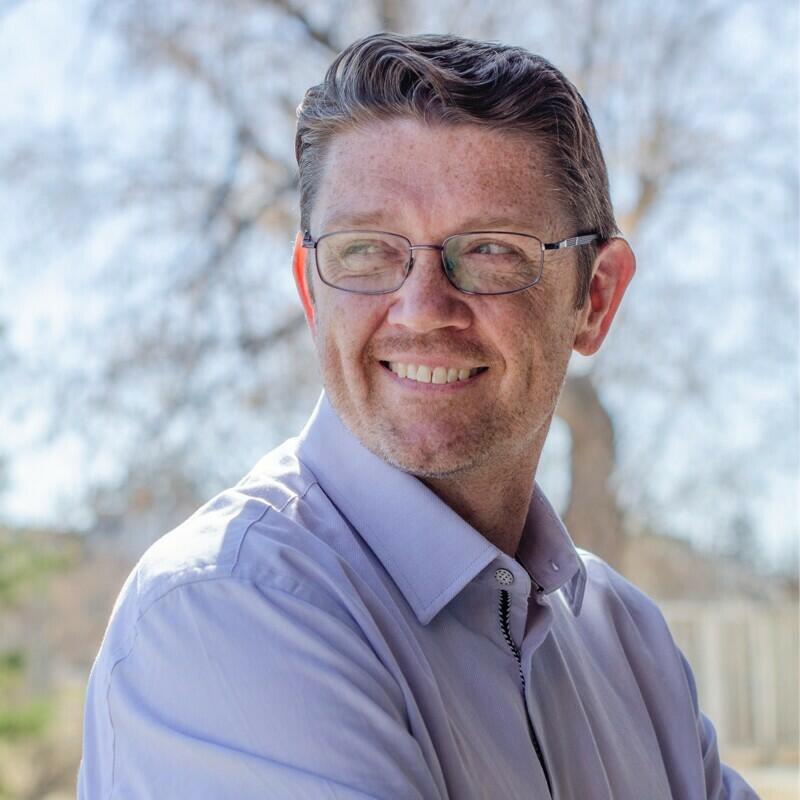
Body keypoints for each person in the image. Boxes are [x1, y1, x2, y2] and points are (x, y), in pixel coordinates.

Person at [77, 33, 759, 799]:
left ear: (594, 298)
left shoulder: (630, 651)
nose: (423, 309)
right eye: (366, 250)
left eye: (492, 250)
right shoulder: (222, 613)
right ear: (311, 292)